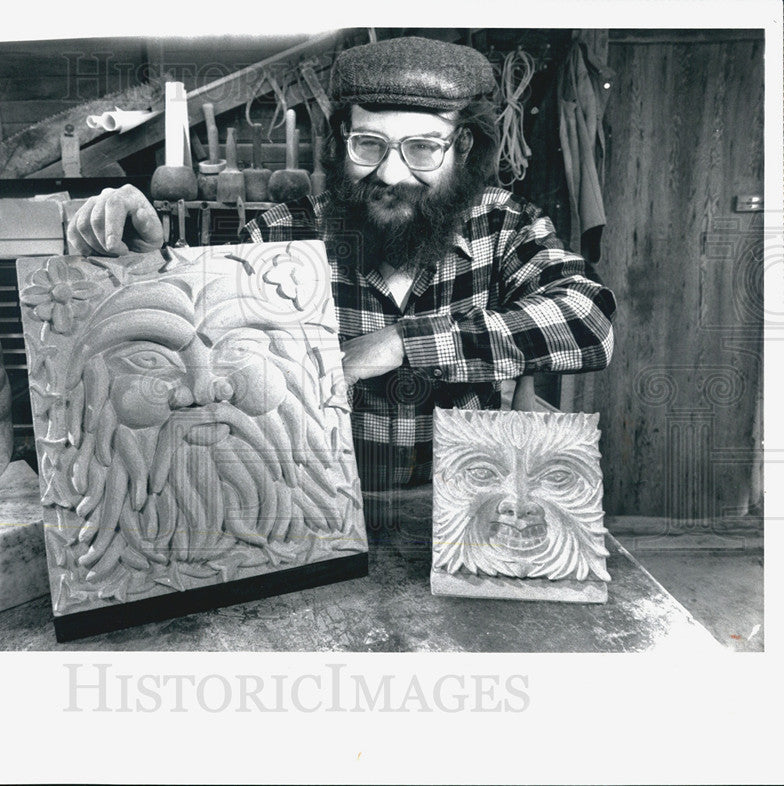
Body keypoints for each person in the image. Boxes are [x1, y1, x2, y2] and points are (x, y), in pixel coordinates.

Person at [66, 36, 616, 493]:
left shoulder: (505, 227)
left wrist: (404, 342)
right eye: (369, 144)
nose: (392, 174)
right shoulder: (279, 236)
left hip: (460, 515)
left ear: (464, 148)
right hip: (314, 518)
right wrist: (141, 270)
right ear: (339, 143)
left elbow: (589, 322)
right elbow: (201, 342)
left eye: (423, 148)